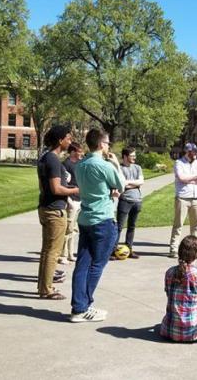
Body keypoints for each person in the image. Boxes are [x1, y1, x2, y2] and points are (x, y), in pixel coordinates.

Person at [70, 128, 124, 322]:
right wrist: (116, 164)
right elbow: (121, 185)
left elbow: (97, 187)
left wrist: (108, 191)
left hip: (85, 218)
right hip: (103, 219)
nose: (108, 146)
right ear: (102, 144)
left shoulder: (81, 164)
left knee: (83, 263)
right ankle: (84, 306)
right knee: (97, 264)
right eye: (108, 143)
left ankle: (78, 307)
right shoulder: (104, 165)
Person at [36, 125, 79, 300]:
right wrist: (76, 189)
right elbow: (56, 188)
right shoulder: (53, 160)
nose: (70, 141)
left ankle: (43, 286)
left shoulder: (45, 157)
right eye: (68, 138)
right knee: (52, 252)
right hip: (54, 210)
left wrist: (68, 188)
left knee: (47, 251)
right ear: (60, 140)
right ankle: (47, 289)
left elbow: (45, 187)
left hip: (46, 207)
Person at [169, 143, 197, 258]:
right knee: (178, 224)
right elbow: (181, 178)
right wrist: (195, 178)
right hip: (183, 197)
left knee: (195, 225)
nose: (195, 153)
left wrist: (189, 179)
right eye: (193, 151)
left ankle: (196, 249)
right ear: (187, 151)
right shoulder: (179, 163)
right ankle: (173, 249)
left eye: (196, 151)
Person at [115, 147, 144, 259]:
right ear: (125, 157)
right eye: (132, 156)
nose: (134, 158)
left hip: (137, 201)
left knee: (132, 226)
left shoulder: (137, 167)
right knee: (119, 226)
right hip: (125, 200)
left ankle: (129, 249)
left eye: (134, 155)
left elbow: (141, 181)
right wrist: (134, 183)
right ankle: (113, 250)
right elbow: (121, 184)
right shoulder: (120, 169)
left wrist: (128, 183)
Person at [60, 143, 84, 264]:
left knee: (74, 229)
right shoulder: (65, 164)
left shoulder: (80, 164)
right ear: (73, 152)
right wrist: (68, 200)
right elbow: (62, 184)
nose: (82, 153)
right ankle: (62, 255)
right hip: (71, 200)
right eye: (80, 151)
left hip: (80, 199)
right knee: (67, 228)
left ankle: (70, 253)